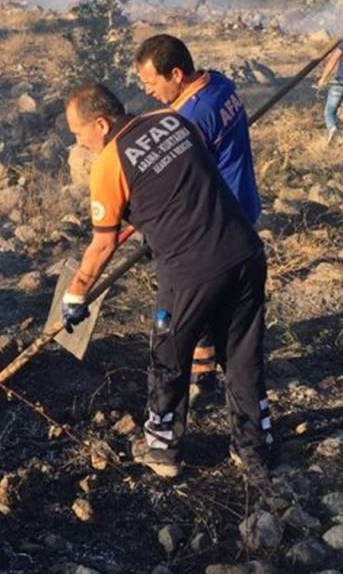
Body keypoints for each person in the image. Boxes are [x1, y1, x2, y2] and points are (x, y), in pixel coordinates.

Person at [61, 83, 273, 480]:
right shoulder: (172, 119)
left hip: (190, 273)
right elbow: (187, 179)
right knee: (242, 356)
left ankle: (161, 449)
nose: (79, 141)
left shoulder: (109, 164)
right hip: (245, 251)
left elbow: (103, 243)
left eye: (78, 132)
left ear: (101, 124)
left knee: (168, 359)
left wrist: (76, 292)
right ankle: (253, 449)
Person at [133, 34, 261, 406]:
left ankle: (200, 380)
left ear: (176, 74)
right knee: (220, 302)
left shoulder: (190, 120)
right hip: (242, 208)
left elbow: (174, 184)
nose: (149, 92)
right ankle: (204, 374)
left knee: (195, 302)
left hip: (217, 222)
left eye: (152, 83)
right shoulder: (220, 83)